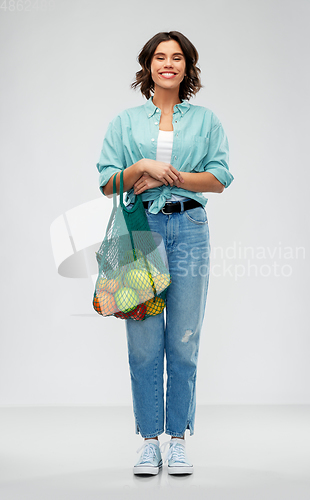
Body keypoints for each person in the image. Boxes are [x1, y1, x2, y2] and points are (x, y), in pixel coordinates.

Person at [96, 31, 234, 475]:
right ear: (148, 66)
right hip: (141, 231)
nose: (168, 64)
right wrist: (140, 168)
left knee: (184, 340)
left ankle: (178, 440)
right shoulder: (125, 122)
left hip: (190, 228)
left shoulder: (207, 121)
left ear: (187, 67)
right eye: (160, 57)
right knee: (143, 341)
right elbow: (107, 183)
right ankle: (149, 441)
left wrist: (168, 178)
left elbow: (218, 178)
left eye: (177, 58)